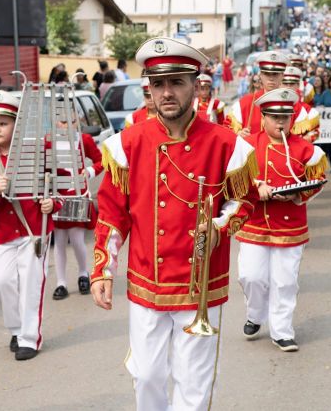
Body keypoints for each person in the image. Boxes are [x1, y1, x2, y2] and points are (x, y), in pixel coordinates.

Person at [90, 37, 257, 410]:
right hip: (147, 283)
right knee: (146, 376)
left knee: (193, 384)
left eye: (176, 82)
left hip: (202, 284)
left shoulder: (227, 144)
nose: (167, 92)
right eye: (158, 84)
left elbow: (244, 201)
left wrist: (219, 227)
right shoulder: (126, 144)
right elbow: (112, 213)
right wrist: (103, 268)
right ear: (148, 89)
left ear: (196, 86)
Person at [0, 90, 59, 361]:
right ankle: (17, 328)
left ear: (16, 125)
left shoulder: (38, 152)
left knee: (31, 284)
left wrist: (52, 203)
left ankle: (29, 338)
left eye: (3, 123)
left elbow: (59, 184)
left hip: (34, 231)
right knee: (1, 281)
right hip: (4, 233)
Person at [237, 88, 327, 352]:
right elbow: (233, 179)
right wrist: (256, 186)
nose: (280, 123)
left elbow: (317, 182)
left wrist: (299, 194)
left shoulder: (306, 149)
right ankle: (255, 314)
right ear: (263, 117)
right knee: (250, 276)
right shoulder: (247, 146)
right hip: (254, 222)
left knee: (285, 281)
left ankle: (282, 330)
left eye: (285, 117)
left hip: (290, 224)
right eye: (274, 117)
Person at [51, 116, 103, 300]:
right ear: (56, 122)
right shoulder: (49, 142)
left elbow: (101, 161)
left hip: (78, 195)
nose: (66, 125)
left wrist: (88, 172)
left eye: (70, 120)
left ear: (77, 121)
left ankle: (83, 273)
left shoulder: (83, 140)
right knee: (59, 240)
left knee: (77, 239)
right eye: (62, 121)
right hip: (57, 197)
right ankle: (61, 282)